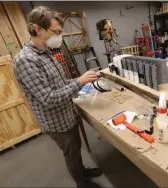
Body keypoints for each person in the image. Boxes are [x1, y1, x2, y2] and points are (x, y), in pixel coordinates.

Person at [13, 6, 102, 188]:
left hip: (67, 113)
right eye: (56, 32)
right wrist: (79, 83)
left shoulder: (46, 52)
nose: (59, 36)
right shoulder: (26, 60)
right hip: (56, 121)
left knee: (75, 149)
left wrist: (79, 79)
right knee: (70, 152)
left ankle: (81, 171)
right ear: (37, 29)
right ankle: (81, 183)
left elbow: (60, 84)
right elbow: (48, 98)